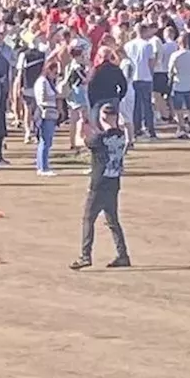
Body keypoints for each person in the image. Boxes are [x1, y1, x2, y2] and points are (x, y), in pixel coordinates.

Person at [69, 102, 131, 271]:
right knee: (113, 221)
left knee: (88, 219)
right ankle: (122, 254)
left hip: (98, 184)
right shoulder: (120, 137)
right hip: (113, 182)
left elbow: (79, 142)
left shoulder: (100, 139)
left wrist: (82, 125)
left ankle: (85, 255)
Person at [34, 59, 61, 176]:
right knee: (45, 140)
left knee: (46, 141)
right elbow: (42, 98)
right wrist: (56, 96)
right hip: (45, 113)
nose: (55, 75)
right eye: (54, 72)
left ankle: (42, 165)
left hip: (50, 112)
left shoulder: (48, 82)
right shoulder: (43, 82)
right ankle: (43, 167)